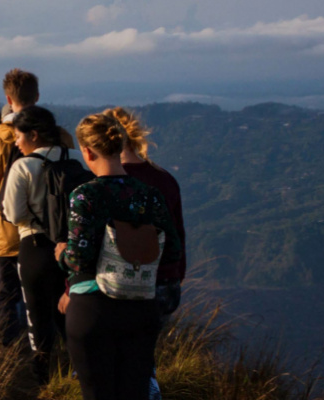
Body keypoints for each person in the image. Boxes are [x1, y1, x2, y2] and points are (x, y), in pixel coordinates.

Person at [58, 108, 184, 400]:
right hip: (141, 309)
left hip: (93, 310)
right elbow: (172, 251)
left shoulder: (85, 195)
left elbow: (78, 259)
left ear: (87, 152)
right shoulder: (151, 194)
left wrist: (62, 254)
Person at [0, 69, 56, 345]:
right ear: (37, 96)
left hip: (5, 231)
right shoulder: (58, 136)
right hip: (49, 232)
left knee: (6, 293)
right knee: (45, 293)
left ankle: (11, 348)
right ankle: (47, 348)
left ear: (8, 98)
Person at [1, 106, 77, 380]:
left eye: (19, 136)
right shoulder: (77, 158)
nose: (16, 142)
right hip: (75, 249)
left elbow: (13, 214)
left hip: (35, 247)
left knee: (37, 314)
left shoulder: (23, 166)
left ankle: (42, 374)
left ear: (33, 135)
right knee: (71, 312)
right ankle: (79, 371)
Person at [115, 107, 185, 399]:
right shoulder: (164, 179)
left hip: (123, 286)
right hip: (165, 286)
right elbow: (177, 236)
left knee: (121, 361)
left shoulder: (104, 186)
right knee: (146, 355)